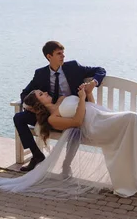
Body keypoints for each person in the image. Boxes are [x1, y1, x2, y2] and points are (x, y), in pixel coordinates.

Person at [0, 80, 137, 198]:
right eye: (41, 94)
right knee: (133, 118)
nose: (46, 93)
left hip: (101, 116)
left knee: (136, 129)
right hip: (94, 128)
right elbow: (77, 120)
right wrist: (81, 98)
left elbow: (92, 105)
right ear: (38, 104)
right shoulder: (52, 118)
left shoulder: (63, 99)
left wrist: (87, 93)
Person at [16, 41, 106, 171]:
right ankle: (37, 155)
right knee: (19, 118)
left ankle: (66, 164)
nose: (63, 56)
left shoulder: (73, 67)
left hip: (72, 114)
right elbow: (25, 94)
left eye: (63, 53)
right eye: (59, 54)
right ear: (49, 56)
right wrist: (33, 107)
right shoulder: (40, 74)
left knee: (74, 130)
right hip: (49, 115)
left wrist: (94, 82)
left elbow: (100, 70)